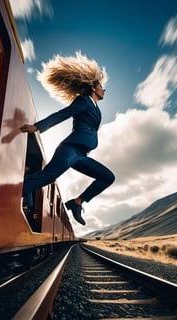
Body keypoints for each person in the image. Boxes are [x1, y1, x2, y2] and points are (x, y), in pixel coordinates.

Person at [20, 52, 115, 225]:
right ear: (93, 88)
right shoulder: (83, 101)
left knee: (107, 177)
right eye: (101, 86)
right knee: (46, 177)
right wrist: (38, 127)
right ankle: (11, 192)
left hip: (81, 155)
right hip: (70, 150)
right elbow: (63, 114)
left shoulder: (96, 109)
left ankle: (77, 203)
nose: (104, 89)